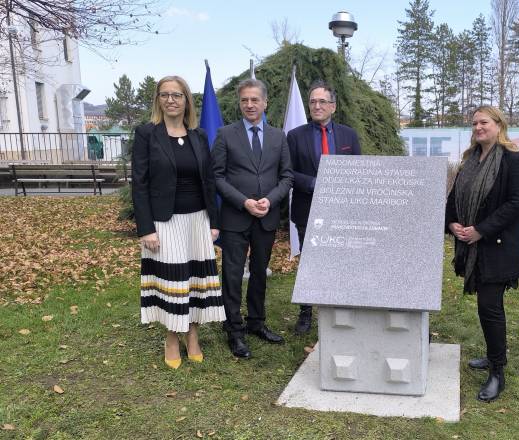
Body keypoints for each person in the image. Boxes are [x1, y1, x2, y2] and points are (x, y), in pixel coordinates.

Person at [132, 75, 225, 369]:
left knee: (196, 281)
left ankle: (193, 335)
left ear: (187, 101)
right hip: (165, 223)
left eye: (177, 95)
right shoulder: (148, 134)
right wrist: (146, 228)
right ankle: (172, 337)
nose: (171, 100)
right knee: (173, 282)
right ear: (158, 100)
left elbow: (209, 182)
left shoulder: (198, 136)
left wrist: (214, 221)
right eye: (165, 94)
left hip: (198, 220)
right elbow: (139, 183)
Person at [446, 105, 519, 403]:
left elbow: (517, 203)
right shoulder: (470, 160)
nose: (478, 127)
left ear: (499, 124)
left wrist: (481, 229)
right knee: (486, 308)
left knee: (490, 307)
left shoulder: (515, 160)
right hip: (472, 246)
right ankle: (492, 355)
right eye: (474, 124)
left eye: (483, 122)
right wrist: (452, 222)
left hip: (497, 246)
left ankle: (498, 371)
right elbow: (455, 196)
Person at [212, 78, 293, 358]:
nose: (249, 104)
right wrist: (243, 201)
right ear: (240, 102)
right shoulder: (225, 134)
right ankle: (234, 329)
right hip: (236, 217)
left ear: (265, 102)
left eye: (254, 100)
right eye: (245, 100)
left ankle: (256, 322)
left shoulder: (278, 136)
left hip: (266, 217)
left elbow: (287, 176)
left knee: (259, 272)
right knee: (233, 275)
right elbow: (217, 177)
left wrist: (269, 200)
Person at [287, 80, 361, 334]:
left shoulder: (349, 135)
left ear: (333, 106)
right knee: (309, 261)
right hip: (307, 208)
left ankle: (341, 308)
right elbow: (287, 173)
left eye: (322, 101)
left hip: (341, 211)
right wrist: (313, 183)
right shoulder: (295, 136)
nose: (316, 106)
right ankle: (306, 312)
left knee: (341, 259)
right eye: (312, 102)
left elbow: (358, 171)